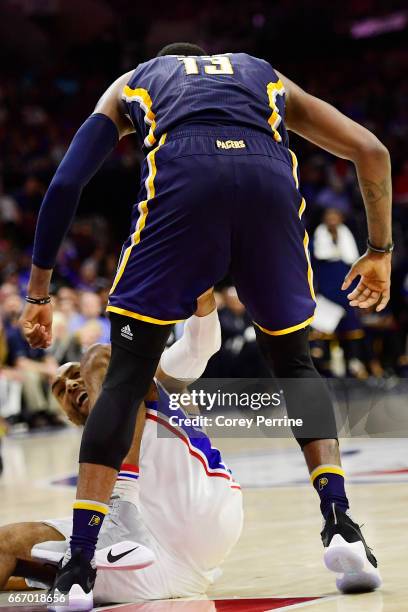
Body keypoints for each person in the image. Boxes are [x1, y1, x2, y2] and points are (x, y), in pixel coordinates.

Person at [20, 43, 391, 607]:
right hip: (268, 179)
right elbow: (371, 149)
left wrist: (39, 292)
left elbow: (67, 183)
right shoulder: (264, 73)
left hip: (183, 181)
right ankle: (341, 524)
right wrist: (380, 249)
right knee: (294, 363)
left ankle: (79, 566)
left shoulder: (134, 81)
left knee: (123, 377)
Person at [2, 294, 243, 607]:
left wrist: (203, 295)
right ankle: (104, 542)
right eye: (63, 390)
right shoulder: (94, 463)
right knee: (7, 545)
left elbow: (202, 345)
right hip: (144, 570)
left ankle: (122, 510)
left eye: (77, 377)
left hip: (198, 517)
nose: (73, 386)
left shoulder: (154, 380)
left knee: (101, 356)